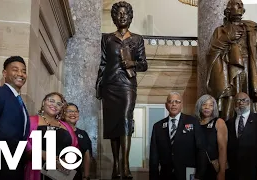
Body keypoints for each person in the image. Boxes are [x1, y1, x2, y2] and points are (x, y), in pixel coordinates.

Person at [95, 1, 148, 178]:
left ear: (130, 17)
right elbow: (102, 64)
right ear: (114, 17)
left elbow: (143, 64)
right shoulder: (107, 38)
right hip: (110, 85)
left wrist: (132, 62)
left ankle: (125, 164)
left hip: (127, 84)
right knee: (113, 124)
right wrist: (99, 85)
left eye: (126, 14)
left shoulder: (137, 39)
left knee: (125, 119)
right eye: (119, 14)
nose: (123, 16)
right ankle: (116, 166)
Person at [206, 0, 257, 121]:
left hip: (250, 69)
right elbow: (211, 53)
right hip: (229, 72)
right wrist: (226, 38)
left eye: (241, 4)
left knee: (250, 99)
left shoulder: (252, 30)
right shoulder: (220, 31)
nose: (240, 5)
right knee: (231, 99)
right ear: (228, 10)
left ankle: (253, 129)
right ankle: (228, 128)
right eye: (236, 3)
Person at [149, 92, 207, 180]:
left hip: (188, 174)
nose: (174, 104)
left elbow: (201, 149)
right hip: (165, 175)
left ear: (182, 104)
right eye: (170, 102)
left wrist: (199, 174)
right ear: (166, 105)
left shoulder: (193, 122)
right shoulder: (158, 126)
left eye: (177, 101)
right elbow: (154, 155)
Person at [24, 92, 79, 180]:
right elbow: (24, 141)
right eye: (51, 101)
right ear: (43, 102)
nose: (54, 105)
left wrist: (68, 159)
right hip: (38, 171)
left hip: (61, 173)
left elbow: (75, 146)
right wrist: (41, 154)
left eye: (59, 104)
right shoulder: (31, 121)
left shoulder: (66, 126)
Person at [226, 92, 257, 180]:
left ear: (250, 102)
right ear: (234, 103)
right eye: (238, 100)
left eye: (244, 100)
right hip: (234, 171)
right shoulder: (229, 123)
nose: (241, 103)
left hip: (255, 169)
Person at [194, 94, 228, 180]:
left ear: (214, 108)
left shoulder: (219, 122)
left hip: (213, 167)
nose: (207, 107)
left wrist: (222, 172)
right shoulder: (194, 123)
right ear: (199, 106)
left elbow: (222, 148)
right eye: (204, 104)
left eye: (210, 105)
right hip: (197, 168)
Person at [63, 103, 92, 180]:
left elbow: (87, 155)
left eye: (75, 111)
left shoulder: (83, 134)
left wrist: (86, 176)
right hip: (59, 174)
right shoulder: (58, 131)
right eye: (69, 111)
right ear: (63, 113)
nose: (73, 113)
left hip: (77, 175)